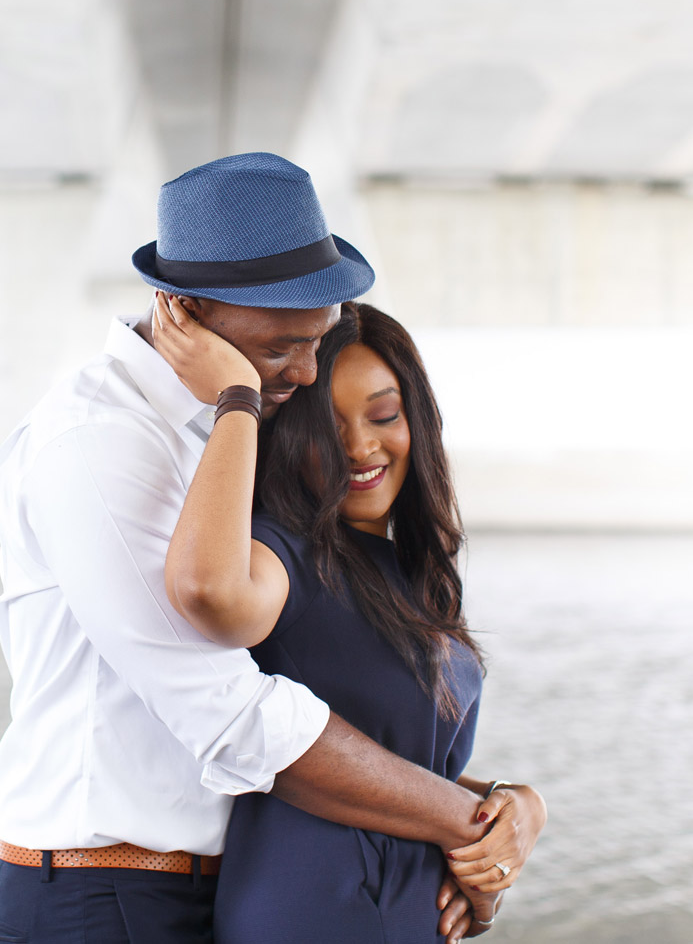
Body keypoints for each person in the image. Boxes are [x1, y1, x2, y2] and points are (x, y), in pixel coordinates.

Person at [0, 153, 543, 944]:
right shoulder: (99, 442)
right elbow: (236, 719)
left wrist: (510, 805)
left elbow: (334, 698)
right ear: (182, 308)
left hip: (224, 889)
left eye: (316, 340)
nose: (306, 371)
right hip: (104, 895)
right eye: (282, 346)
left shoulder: (229, 434)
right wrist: (467, 821)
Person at [153, 297, 542, 941]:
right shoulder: (284, 552)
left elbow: (402, 759)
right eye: (329, 428)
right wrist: (238, 399)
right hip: (314, 912)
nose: (361, 446)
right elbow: (211, 594)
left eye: (384, 415)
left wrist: (515, 805)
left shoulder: (415, 575)